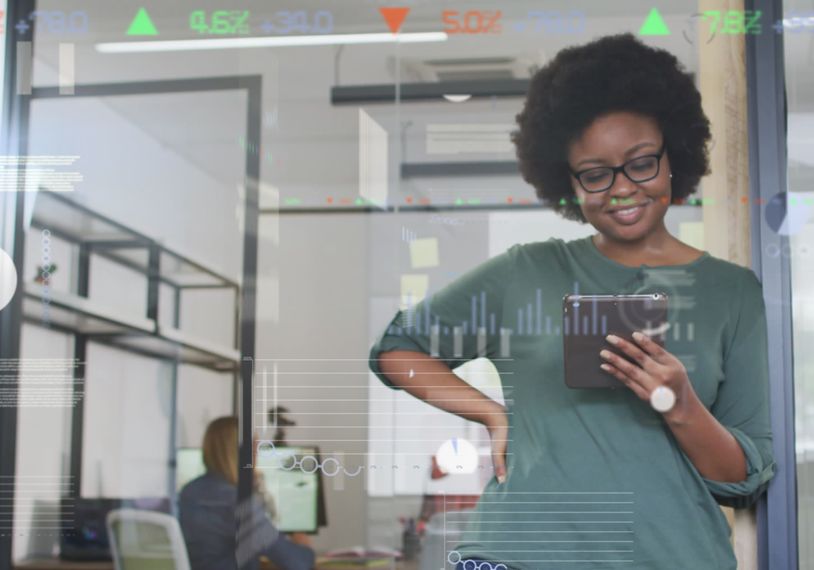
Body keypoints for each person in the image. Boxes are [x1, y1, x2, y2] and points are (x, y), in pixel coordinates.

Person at [370, 34, 773, 569]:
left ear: (673, 157)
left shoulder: (733, 292)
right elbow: (398, 349)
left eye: (641, 163)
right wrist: (490, 413)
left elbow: (743, 478)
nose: (622, 189)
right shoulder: (526, 272)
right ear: (569, 182)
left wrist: (681, 405)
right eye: (596, 174)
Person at [178, 416, 315, 570]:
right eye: (255, 450)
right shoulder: (238, 502)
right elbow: (297, 563)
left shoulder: (187, 492)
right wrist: (304, 544)